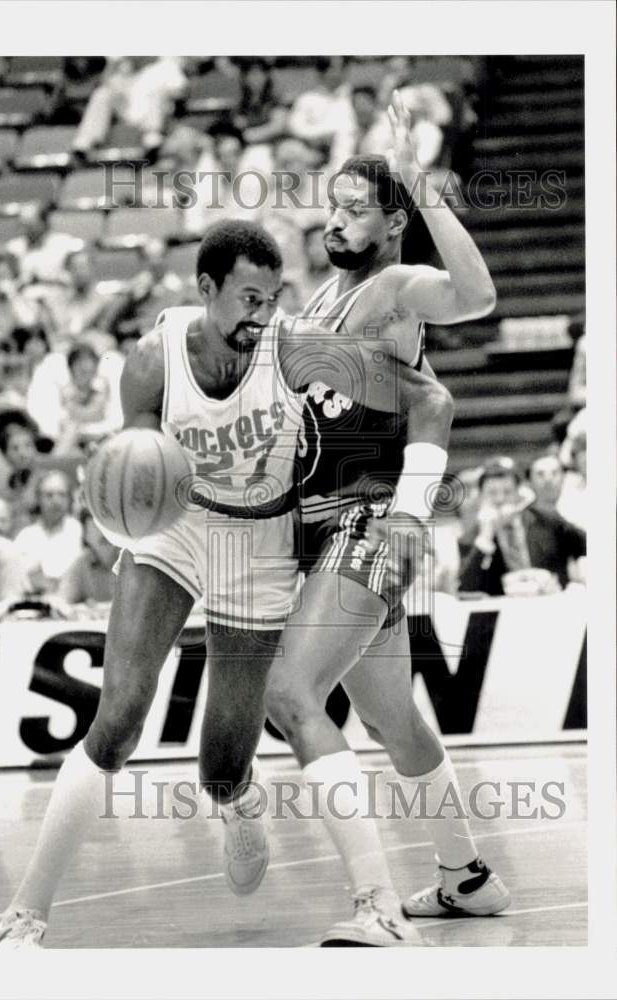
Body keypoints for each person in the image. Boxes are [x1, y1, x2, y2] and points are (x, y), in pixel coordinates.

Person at [0, 215, 452, 948]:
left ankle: (236, 802)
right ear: (205, 289)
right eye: (246, 298)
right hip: (174, 531)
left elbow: (430, 402)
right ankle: (26, 912)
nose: (260, 315)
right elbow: (132, 478)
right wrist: (120, 510)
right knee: (118, 718)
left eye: (270, 297)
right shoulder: (151, 361)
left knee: (221, 763)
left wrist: (410, 509)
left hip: (259, 545)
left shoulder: (293, 346)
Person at [263, 92, 509, 947]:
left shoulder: (394, 288)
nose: (335, 218)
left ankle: (374, 908)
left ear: (391, 223)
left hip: (369, 524)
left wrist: (417, 180)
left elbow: (475, 295)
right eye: (331, 204)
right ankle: (466, 877)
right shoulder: (317, 304)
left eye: (356, 208)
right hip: (320, 529)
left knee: (290, 691)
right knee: (390, 720)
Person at [458, 461, 586, 595]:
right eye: (492, 493)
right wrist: (485, 538)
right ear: (481, 496)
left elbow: (587, 545)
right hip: (505, 610)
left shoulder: (548, 520)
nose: (500, 499)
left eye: (507, 492)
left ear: (519, 492)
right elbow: (465, 587)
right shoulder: (472, 538)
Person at [13, 470, 82, 592]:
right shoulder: (26, 536)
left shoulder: (80, 532)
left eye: (62, 494)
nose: (56, 501)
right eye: (49, 495)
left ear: (70, 498)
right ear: (38, 498)